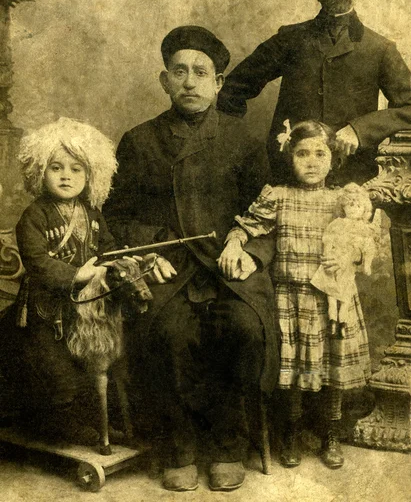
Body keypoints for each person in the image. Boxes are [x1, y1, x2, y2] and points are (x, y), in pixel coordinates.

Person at [103, 25, 278, 492]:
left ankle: (227, 445)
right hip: (169, 269)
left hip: (228, 269)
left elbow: (270, 212)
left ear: (219, 83)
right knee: (169, 331)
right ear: (164, 81)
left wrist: (250, 251)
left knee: (243, 328)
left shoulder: (243, 140)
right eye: (179, 71)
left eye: (201, 72)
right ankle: (178, 447)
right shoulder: (139, 141)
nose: (189, 81)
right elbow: (116, 216)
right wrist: (148, 251)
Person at [219, 120, 371, 470]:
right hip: (290, 298)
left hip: (332, 299)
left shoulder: (342, 200)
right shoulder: (278, 196)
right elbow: (248, 224)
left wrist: (351, 255)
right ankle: (290, 431)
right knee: (295, 375)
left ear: (333, 159)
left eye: (321, 154)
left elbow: (367, 243)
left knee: (330, 371)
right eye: (302, 153)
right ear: (289, 158)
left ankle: (331, 432)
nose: (312, 161)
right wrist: (234, 241)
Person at [0, 117, 152, 444]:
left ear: (90, 175)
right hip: (46, 311)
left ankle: (94, 423)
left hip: (85, 310)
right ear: (40, 171)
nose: (66, 176)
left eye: (76, 169)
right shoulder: (34, 216)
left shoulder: (92, 213)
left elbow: (107, 248)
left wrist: (123, 259)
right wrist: (79, 273)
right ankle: (58, 427)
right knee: (57, 370)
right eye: (56, 167)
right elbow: (38, 262)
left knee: (93, 366)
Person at [217, 0, 411, 186]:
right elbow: (232, 89)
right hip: (288, 177)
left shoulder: (379, 48)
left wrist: (361, 130)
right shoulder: (290, 39)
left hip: (351, 180)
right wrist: (245, 151)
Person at [311, 182, 377, 338]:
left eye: (358, 206)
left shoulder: (363, 228)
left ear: (364, 210)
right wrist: (327, 254)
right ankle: (332, 319)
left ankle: (343, 321)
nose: (354, 209)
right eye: (350, 205)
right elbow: (328, 238)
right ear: (343, 207)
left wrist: (366, 263)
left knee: (346, 292)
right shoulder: (337, 223)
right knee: (331, 293)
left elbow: (369, 246)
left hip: (348, 265)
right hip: (333, 260)